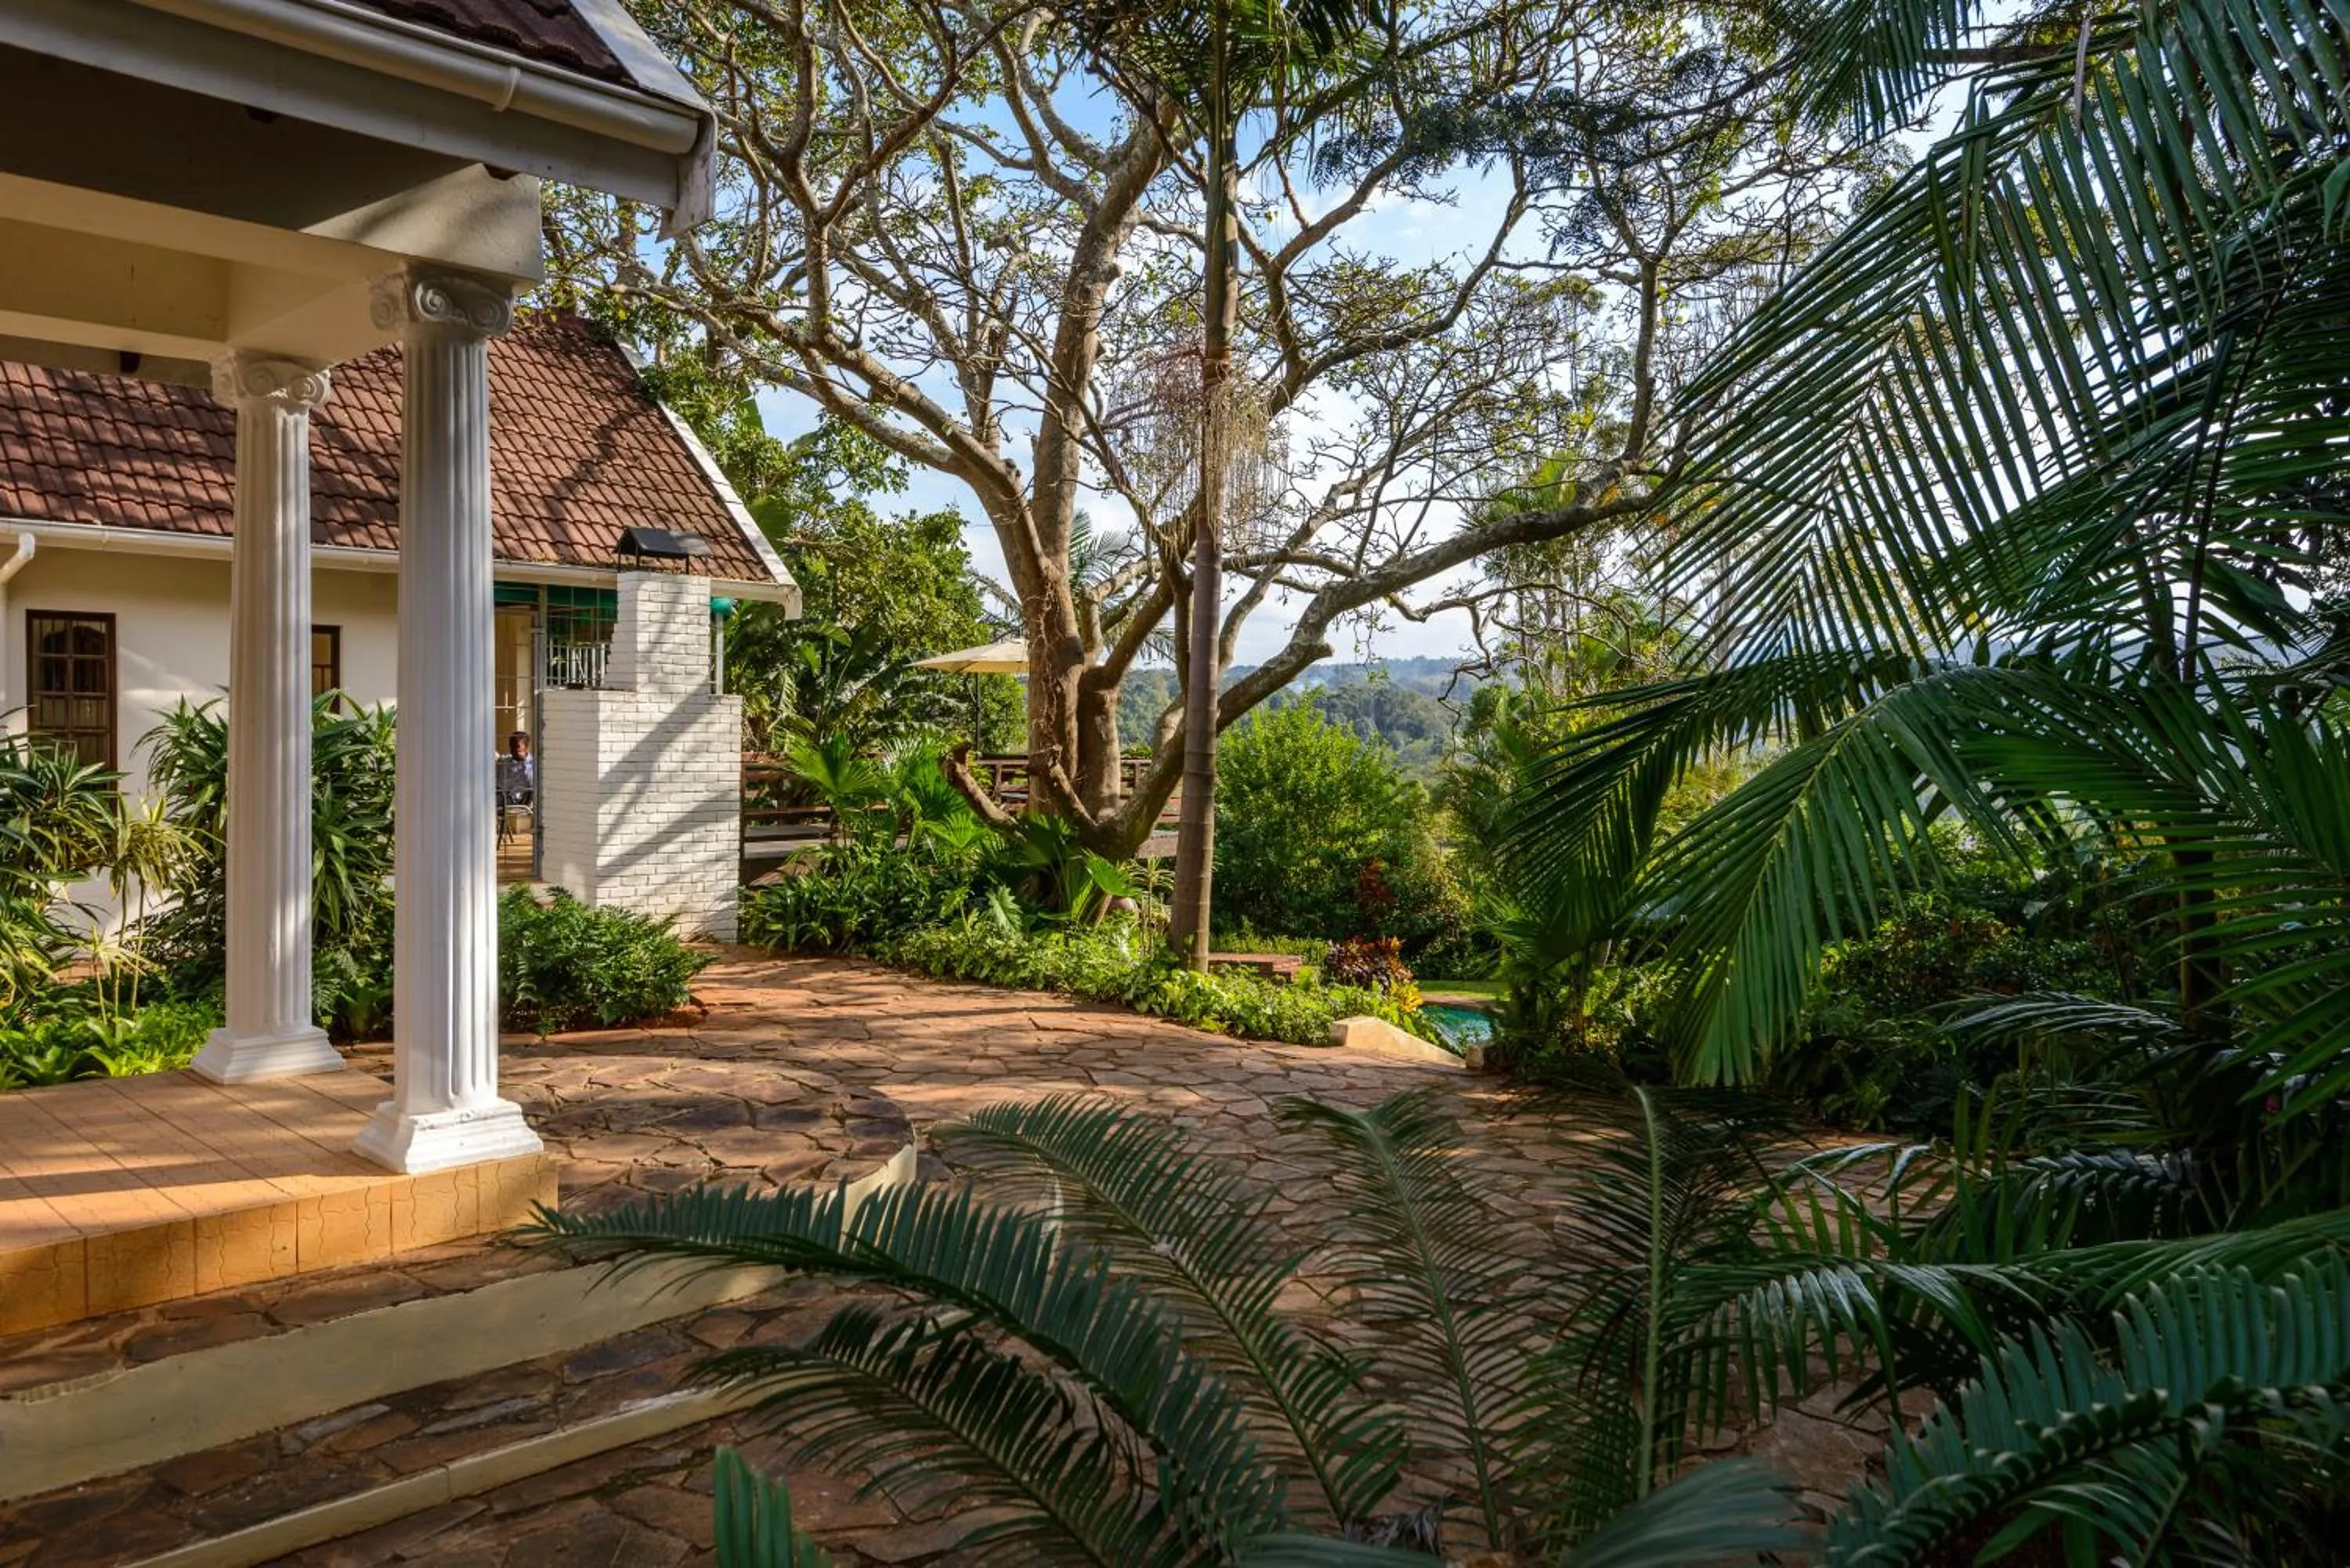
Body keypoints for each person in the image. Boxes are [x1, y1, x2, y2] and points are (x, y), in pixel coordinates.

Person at [496, 731, 534, 807]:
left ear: (526, 747)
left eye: (517, 747)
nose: (512, 751)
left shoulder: (532, 767)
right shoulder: (506, 762)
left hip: (520, 805)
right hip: (502, 799)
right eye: (511, 747)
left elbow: (532, 791)